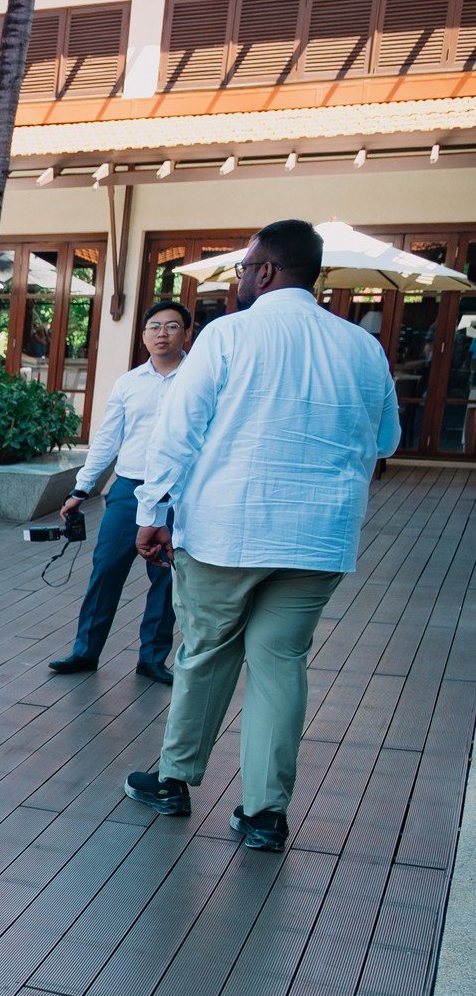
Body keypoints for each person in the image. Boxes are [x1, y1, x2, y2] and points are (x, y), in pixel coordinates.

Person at [124, 220, 400, 852]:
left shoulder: (228, 335)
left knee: (205, 651)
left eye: (246, 268)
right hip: (318, 538)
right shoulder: (362, 347)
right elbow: (387, 441)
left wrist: (152, 511)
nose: (242, 278)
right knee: (281, 667)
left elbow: (178, 432)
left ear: (267, 271)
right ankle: (264, 814)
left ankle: (175, 779)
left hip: (228, 529)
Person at [48, 301, 190, 683]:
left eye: (172, 326)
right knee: (106, 570)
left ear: (186, 334)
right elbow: (107, 441)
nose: (162, 333)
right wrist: (81, 489)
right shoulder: (128, 383)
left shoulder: (199, 379)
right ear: (143, 335)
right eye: (154, 326)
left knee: (166, 578)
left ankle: (153, 658)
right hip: (128, 490)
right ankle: (85, 651)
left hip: (179, 493)